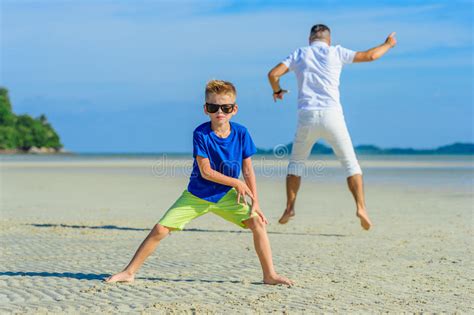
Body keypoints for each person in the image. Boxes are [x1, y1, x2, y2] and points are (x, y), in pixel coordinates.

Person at [105, 80, 293, 286]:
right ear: (206, 109)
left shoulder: (241, 133)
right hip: (197, 195)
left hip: (228, 196)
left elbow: (248, 169)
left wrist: (255, 201)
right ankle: (129, 272)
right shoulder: (201, 134)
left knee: (257, 223)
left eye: (225, 107)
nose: (219, 112)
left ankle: (269, 275)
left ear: (234, 109)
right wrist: (235, 182)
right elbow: (205, 171)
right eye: (213, 107)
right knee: (160, 229)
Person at [268, 24, 397, 230]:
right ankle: (361, 207)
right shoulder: (337, 52)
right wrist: (388, 44)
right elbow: (370, 56)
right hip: (332, 115)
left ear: (310, 38)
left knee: (296, 164)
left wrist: (277, 91)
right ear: (328, 39)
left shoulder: (300, 53)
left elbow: (273, 74)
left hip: (307, 116)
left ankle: (289, 208)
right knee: (350, 164)